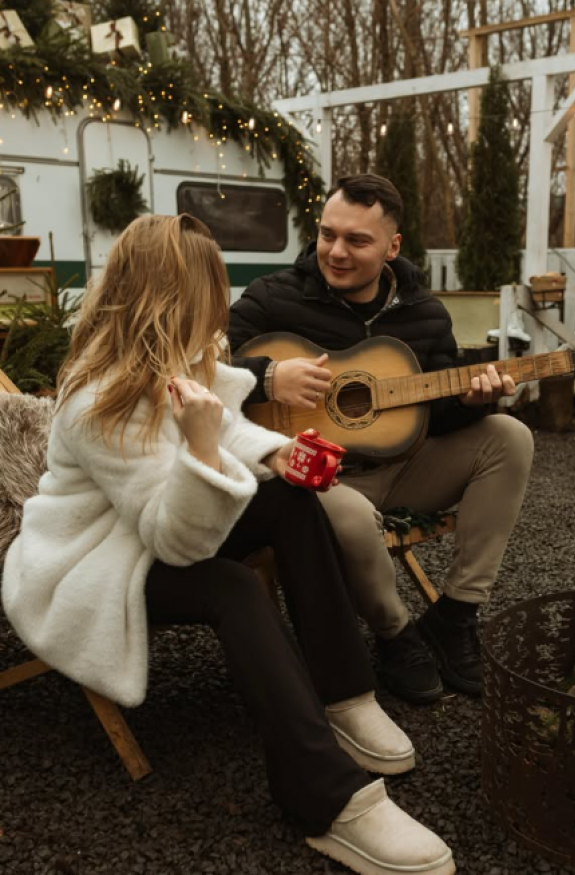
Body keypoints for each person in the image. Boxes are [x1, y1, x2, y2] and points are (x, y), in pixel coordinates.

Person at [1, 215, 455, 875]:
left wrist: (279, 451)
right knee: (230, 585)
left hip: (149, 527)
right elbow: (178, 541)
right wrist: (205, 448)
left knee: (290, 497)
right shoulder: (96, 399)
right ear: (166, 303)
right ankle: (324, 798)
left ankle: (345, 695)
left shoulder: (179, 354)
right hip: (89, 559)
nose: (218, 311)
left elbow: (228, 425)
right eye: (206, 296)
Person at [229, 173, 534, 701]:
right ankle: (396, 637)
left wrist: (469, 401)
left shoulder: (425, 313)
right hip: (314, 478)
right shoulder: (272, 298)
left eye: (357, 240)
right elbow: (200, 362)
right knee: (344, 512)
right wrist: (268, 376)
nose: (336, 251)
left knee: (509, 435)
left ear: (392, 247)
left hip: (402, 467)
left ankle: (456, 614)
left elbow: (434, 418)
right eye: (328, 235)